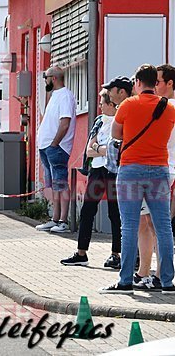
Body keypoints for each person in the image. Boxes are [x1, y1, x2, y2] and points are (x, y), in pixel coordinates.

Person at [101, 64, 175, 294]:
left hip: (131, 169)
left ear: (137, 83)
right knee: (163, 227)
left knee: (130, 226)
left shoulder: (128, 105)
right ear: (156, 83)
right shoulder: (170, 108)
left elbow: (115, 134)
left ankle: (125, 282)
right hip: (160, 169)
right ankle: (167, 281)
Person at [61, 88, 124, 267]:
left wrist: (100, 149)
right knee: (88, 209)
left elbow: (116, 150)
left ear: (111, 104)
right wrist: (101, 149)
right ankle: (81, 252)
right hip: (96, 170)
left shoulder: (119, 121)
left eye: (102, 103)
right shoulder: (99, 121)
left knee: (115, 212)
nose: (99, 106)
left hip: (113, 171)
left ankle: (116, 254)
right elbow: (89, 149)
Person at [134, 64, 175, 290]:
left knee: (159, 225)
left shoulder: (169, 107)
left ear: (170, 83)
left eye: (158, 82)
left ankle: (161, 275)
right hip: (157, 169)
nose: (155, 86)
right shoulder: (159, 105)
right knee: (147, 223)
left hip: (166, 170)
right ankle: (145, 272)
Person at [35, 66, 77, 233]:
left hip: (56, 147)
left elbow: (64, 123)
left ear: (53, 78)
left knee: (61, 183)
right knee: (53, 184)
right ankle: (55, 218)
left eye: (46, 77)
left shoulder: (65, 96)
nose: (44, 80)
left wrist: (54, 144)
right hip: (47, 147)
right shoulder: (54, 96)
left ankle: (63, 221)